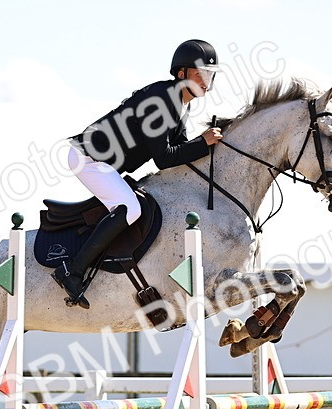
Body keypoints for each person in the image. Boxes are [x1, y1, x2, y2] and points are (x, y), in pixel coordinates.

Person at [55, 39, 225, 305]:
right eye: (201, 73)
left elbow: (180, 148)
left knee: (130, 205)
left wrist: (205, 146)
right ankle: (72, 272)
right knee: (130, 208)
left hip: (104, 161)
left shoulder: (182, 104)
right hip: (88, 157)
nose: (206, 81)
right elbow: (164, 159)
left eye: (210, 75)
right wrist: (203, 143)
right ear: (182, 73)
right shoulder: (162, 100)